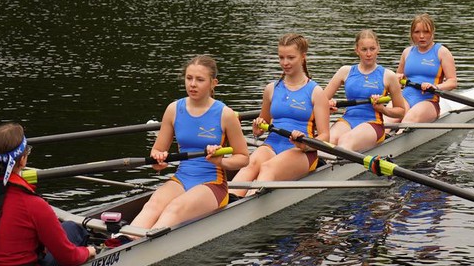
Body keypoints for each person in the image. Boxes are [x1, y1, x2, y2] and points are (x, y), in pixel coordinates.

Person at [0, 123, 96, 266]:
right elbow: (68, 258)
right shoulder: (34, 204)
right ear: (22, 160)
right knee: (72, 228)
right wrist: (88, 252)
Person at [131, 55, 249, 230]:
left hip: (212, 184)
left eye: (200, 80)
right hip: (182, 178)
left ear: (213, 83)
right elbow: (156, 155)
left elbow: (244, 158)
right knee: (152, 205)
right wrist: (158, 160)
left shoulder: (226, 114)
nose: (192, 84)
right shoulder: (173, 109)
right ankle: (122, 240)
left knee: (174, 209)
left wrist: (221, 161)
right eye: (189, 78)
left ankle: (146, 243)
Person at [229, 33, 330, 198]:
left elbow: (325, 137)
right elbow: (262, 124)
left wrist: (304, 145)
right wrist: (257, 130)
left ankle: (248, 203)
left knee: (267, 168)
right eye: (281, 57)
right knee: (250, 164)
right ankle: (231, 200)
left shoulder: (316, 92)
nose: (285, 63)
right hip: (272, 144)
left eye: (290, 57)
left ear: (303, 57)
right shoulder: (271, 89)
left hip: (301, 151)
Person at [324, 29, 405, 152]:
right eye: (364, 49)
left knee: (345, 141)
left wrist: (383, 109)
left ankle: (340, 160)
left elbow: (401, 112)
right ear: (357, 50)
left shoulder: (388, 76)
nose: (368, 54)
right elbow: (321, 101)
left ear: (378, 48)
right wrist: (328, 106)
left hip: (373, 123)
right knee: (327, 141)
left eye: (372, 49)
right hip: (347, 120)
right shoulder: (345, 71)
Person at [388, 13, 457, 124]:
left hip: (428, 101)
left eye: (426, 32)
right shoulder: (407, 52)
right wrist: (396, 79)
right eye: (417, 32)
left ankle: (402, 131)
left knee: (408, 121)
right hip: (405, 98)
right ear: (412, 34)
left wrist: (435, 87)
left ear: (432, 32)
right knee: (386, 121)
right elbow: (397, 82)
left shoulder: (442, 52)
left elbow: (452, 82)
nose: (421, 36)